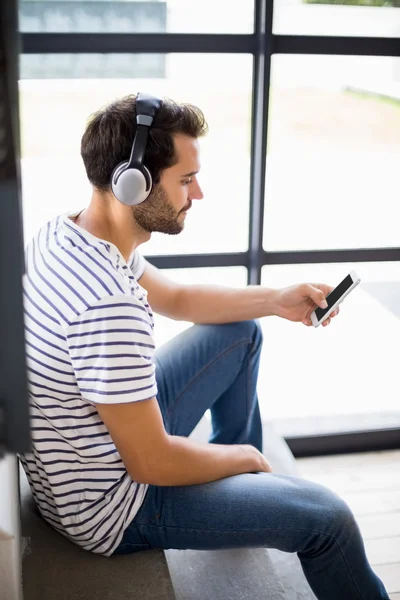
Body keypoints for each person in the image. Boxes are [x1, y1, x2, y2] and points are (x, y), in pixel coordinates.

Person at [21, 93, 389, 600]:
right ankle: (246, 476)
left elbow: (176, 297)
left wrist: (276, 300)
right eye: (186, 180)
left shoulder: (66, 233)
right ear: (135, 183)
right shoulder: (107, 307)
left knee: (240, 333)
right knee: (328, 520)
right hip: (114, 507)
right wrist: (239, 457)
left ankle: (245, 489)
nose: (198, 194)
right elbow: (151, 464)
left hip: (97, 450)